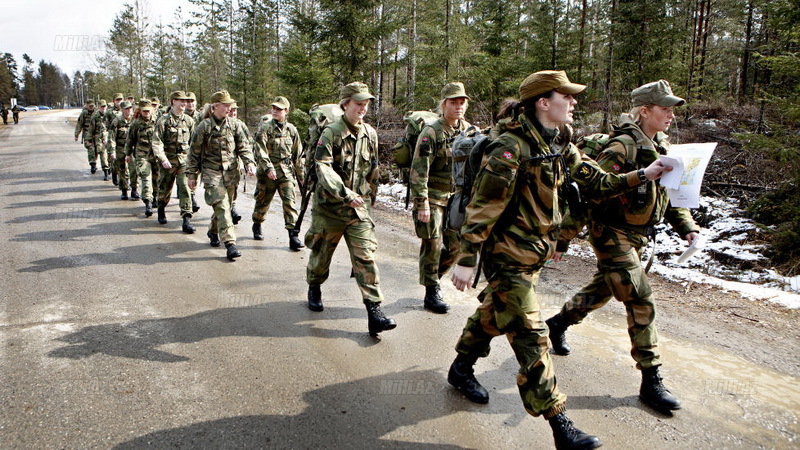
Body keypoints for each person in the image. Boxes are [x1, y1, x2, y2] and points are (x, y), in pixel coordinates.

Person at [447, 71, 672, 450]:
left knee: (493, 315)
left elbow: (595, 181)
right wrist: (467, 259)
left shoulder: (560, 142)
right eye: (565, 96)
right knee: (533, 336)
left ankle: (461, 367)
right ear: (542, 102)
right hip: (507, 258)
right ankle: (559, 422)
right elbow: (483, 208)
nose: (573, 102)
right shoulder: (509, 147)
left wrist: (642, 175)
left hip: (534, 254)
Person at [546, 80, 699, 415]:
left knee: (603, 290)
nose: (671, 114)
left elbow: (671, 194)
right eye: (665, 108)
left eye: (673, 108)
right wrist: (564, 236)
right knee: (639, 297)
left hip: (640, 235)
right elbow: (592, 191)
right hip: (611, 232)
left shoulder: (662, 144)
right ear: (645, 110)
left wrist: (686, 226)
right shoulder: (622, 147)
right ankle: (651, 378)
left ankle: (557, 324)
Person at [304, 82, 396, 337]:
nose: (363, 108)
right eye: (358, 103)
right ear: (345, 104)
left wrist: (370, 200)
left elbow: (373, 169)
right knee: (321, 257)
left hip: (359, 210)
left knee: (366, 257)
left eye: (366, 103)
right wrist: (345, 194)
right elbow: (323, 167)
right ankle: (314, 286)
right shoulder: (330, 133)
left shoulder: (370, 133)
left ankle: (374, 312)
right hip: (331, 208)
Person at [409, 82, 472, 314]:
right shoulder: (432, 132)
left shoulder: (468, 131)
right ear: (443, 104)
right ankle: (431, 291)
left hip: (456, 198)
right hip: (433, 196)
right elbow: (418, 170)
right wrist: (421, 203)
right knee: (433, 243)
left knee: (456, 246)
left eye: (461, 102)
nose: (458, 107)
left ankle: (433, 276)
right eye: (453, 102)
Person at [187, 90, 256, 261]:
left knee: (226, 204)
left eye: (229, 105)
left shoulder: (235, 125)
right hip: (211, 173)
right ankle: (230, 244)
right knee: (223, 206)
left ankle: (213, 230)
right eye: (225, 105)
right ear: (215, 106)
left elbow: (244, 146)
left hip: (231, 172)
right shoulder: (204, 126)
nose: (229, 108)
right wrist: (192, 175)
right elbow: (194, 152)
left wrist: (249, 163)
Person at [252, 96, 305, 249]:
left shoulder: (292, 130)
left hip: (286, 172)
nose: (275, 111)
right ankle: (257, 223)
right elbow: (260, 150)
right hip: (267, 172)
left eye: (279, 109)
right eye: (274, 108)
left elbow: (297, 154)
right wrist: (268, 168)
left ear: (286, 111)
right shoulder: (265, 128)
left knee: (289, 202)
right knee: (263, 201)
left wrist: (301, 176)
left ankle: (293, 235)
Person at [152, 91, 196, 233]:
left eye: (185, 101)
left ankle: (186, 218)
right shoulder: (163, 120)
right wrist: (162, 158)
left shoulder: (189, 121)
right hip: (168, 161)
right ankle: (161, 208)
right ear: (173, 102)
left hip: (184, 161)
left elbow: (194, 143)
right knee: (165, 188)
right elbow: (156, 142)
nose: (184, 103)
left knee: (185, 187)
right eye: (180, 100)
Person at [125, 99, 159, 217]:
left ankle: (155, 198)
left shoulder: (157, 122)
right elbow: (130, 140)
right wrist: (128, 154)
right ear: (140, 111)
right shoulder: (135, 124)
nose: (146, 113)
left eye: (148, 111)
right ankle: (147, 202)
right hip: (142, 154)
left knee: (157, 178)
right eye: (144, 111)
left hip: (155, 154)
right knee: (146, 177)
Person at [225, 102, 250, 226]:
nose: (233, 113)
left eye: (235, 111)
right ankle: (227, 210)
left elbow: (247, 143)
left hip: (236, 161)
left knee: (234, 185)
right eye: (231, 111)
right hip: (221, 163)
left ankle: (232, 206)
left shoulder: (240, 125)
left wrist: (248, 162)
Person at [108, 101, 136, 200]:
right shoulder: (117, 121)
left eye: (130, 108)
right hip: (121, 148)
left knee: (134, 169)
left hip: (132, 149)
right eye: (126, 109)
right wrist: (111, 151)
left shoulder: (134, 120)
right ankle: (124, 190)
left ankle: (134, 189)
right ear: (122, 110)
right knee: (122, 169)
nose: (129, 110)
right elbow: (111, 138)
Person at [184, 91, 201, 213]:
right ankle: (190, 196)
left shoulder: (201, 116)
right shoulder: (181, 115)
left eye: (192, 101)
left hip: (197, 150)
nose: (190, 104)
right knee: (186, 174)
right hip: (184, 151)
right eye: (188, 101)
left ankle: (191, 193)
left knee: (195, 172)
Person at [89, 100, 111, 181]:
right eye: (102, 107)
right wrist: (89, 140)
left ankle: (111, 168)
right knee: (103, 154)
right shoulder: (95, 117)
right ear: (98, 107)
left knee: (111, 154)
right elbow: (91, 130)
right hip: (98, 138)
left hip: (109, 136)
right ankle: (105, 171)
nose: (103, 108)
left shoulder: (110, 115)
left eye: (104, 106)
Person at [105, 93, 125, 185]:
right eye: (117, 100)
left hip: (123, 138)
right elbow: (104, 125)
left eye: (121, 99)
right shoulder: (109, 112)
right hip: (112, 136)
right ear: (114, 101)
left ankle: (124, 181)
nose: (119, 101)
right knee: (114, 159)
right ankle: (114, 171)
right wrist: (105, 136)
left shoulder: (126, 111)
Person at [75, 100, 97, 173]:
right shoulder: (84, 114)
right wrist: (76, 134)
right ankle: (92, 164)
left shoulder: (97, 112)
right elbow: (79, 124)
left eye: (92, 105)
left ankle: (94, 161)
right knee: (91, 148)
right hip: (87, 134)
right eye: (90, 106)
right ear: (87, 106)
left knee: (96, 150)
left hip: (96, 134)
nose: (91, 107)